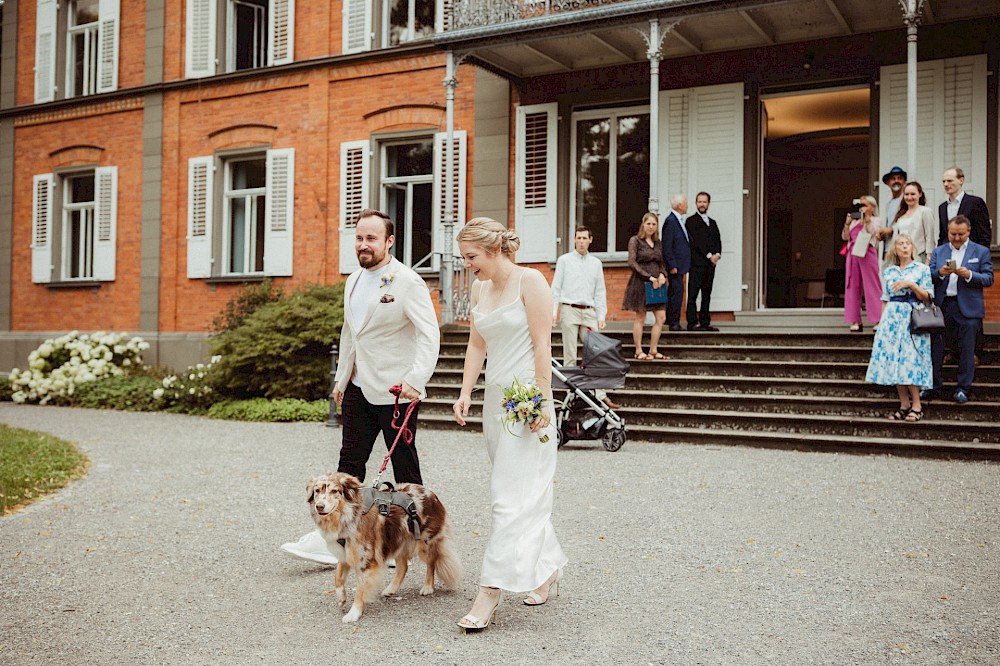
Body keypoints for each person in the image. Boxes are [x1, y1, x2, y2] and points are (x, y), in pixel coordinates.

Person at [280, 209, 441, 565]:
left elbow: (431, 335)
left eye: (371, 238)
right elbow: (350, 332)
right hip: (356, 388)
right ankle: (333, 536)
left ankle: (417, 538)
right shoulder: (352, 280)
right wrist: (341, 379)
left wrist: (415, 381)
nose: (363, 245)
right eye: (359, 238)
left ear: (389, 241)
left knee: (405, 470)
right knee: (348, 465)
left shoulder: (407, 281)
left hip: (397, 391)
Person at [452, 218, 567, 633]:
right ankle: (547, 567)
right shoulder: (481, 288)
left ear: (494, 250)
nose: (468, 266)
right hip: (493, 402)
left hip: (526, 401)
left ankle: (489, 591)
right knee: (522, 492)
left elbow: (542, 344)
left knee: (506, 497)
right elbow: (476, 344)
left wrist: (541, 400)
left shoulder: (531, 282)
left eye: (472, 258)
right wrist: (465, 392)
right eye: (464, 258)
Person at [924, 216, 994, 403]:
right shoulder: (939, 251)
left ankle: (963, 388)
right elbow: (927, 276)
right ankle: (933, 386)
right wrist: (939, 273)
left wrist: (970, 274)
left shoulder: (981, 251)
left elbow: (989, 279)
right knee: (936, 349)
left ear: (968, 232)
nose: (956, 238)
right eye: (953, 234)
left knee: (967, 349)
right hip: (942, 305)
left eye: (960, 234)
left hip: (968, 307)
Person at [864, 234, 934, 422]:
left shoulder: (921, 269)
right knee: (895, 361)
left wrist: (911, 284)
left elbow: (928, 296)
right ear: (894, 249)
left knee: (910, 361)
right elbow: (885, 299)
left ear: (912, 247)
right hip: (892, 319)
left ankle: (917, 405)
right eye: (900, 244)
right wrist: (881, 323)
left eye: (907, 243)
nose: (904, 246)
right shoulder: (889, 272)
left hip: (912, 317)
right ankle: (904, 404)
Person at [551, 226, 619, 409]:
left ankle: (601, 395)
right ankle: (570, 396)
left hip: (589, 312)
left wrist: (601, 315)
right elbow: (556, 287)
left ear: (590, 240)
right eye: (578, 238)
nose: (581, 241)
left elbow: (600, 291)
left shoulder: (596, 263)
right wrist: (553, 313)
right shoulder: (564, 260)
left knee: (597, 353)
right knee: (570, 354)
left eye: (584, 238)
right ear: (574, 239)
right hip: (569, 310)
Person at [623, 212, 668, 360]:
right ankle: (638, 350)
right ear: (643, 224)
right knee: (640, 317)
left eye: (654, 224)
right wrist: (648, 277)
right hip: (641, 283)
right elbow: (632, 262)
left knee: (661, 317)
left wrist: (662, 275)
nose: (651, 227)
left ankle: (653, 350)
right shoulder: (635, 241)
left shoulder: (658, 243)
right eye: (648, 223)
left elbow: (662, 262)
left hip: (657, 284)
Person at [842, 195, 885, 333]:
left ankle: (878, 318)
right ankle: (855, 320)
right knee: (852, 285)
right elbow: (845, 237)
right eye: (860, 205)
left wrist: (866, 220)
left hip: (867, 252)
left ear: (872, 207)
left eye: (865, 205)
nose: (862, 208)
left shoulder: (876, 220)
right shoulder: (854, 221)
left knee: (872, 284)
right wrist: (847, 223)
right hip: (853, 253)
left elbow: (873, 232)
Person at [685, 192, 722, 331]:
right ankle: (692, 322)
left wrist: (717, 255)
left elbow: (717, 240)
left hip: (710, 265)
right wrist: (708, 255)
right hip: (697, 264)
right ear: (696, 203)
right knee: (693, 294)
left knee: (707, 293)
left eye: (704, 202)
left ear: (708, 204)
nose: (702, 204)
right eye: (699, 202)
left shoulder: (712, 223)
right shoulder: (691, 221)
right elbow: (695, 242)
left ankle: (705, 322)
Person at [937, 167, 992, 247]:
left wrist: (981, 256)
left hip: (971, 254)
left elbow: (984, 234)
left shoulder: (975, 203)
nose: (946, 184)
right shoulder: (942, 207)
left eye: (950, 181)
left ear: (961, 180)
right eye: (944, 181)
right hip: (949, 254)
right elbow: (943, 236)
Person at [661, 195, 691, 332]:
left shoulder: (679, 220)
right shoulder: (671, 221)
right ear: (679, 205)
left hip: (681, 265)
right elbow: (667, 246)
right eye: (685, 203)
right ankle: (673, 322)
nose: (687, 205)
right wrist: (672, 264)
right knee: (676, 292)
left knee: (677, 292)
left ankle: (672, 320)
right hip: (675, 266)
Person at [888, 181, 936, 264]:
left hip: (919, 255)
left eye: (913, 194)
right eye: (906, 194)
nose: (909, 197)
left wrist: (928, 259)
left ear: (920, 194)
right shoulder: (901, 214)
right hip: (902, 257)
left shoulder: (925, 211)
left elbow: (930, 238)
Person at [878, 166, 908, 258]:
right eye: (893, 179)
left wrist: (891, 229)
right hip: (888, 248)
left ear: (904, 182)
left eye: (899, 178)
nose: (896, 181)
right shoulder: (888, 204)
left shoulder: (906, 201)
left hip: (903, 248)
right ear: (888, 183)